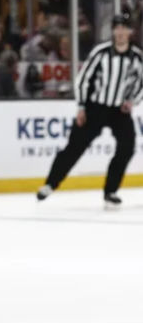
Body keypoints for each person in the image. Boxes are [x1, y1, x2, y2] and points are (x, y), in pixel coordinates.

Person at [38, 12, 143, 207]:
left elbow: (141, 83)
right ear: (113, 30)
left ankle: (110, 191)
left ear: (130, 31)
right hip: (95, 107)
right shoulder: (101, 52)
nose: (120, 32)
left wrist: (132, 101)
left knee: (127, 147)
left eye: (124, 28)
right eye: (117, 27)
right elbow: (83, 80)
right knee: (75, 147)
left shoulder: (137, 57)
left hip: (119, 110)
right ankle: (50, 184)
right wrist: (81, 106)